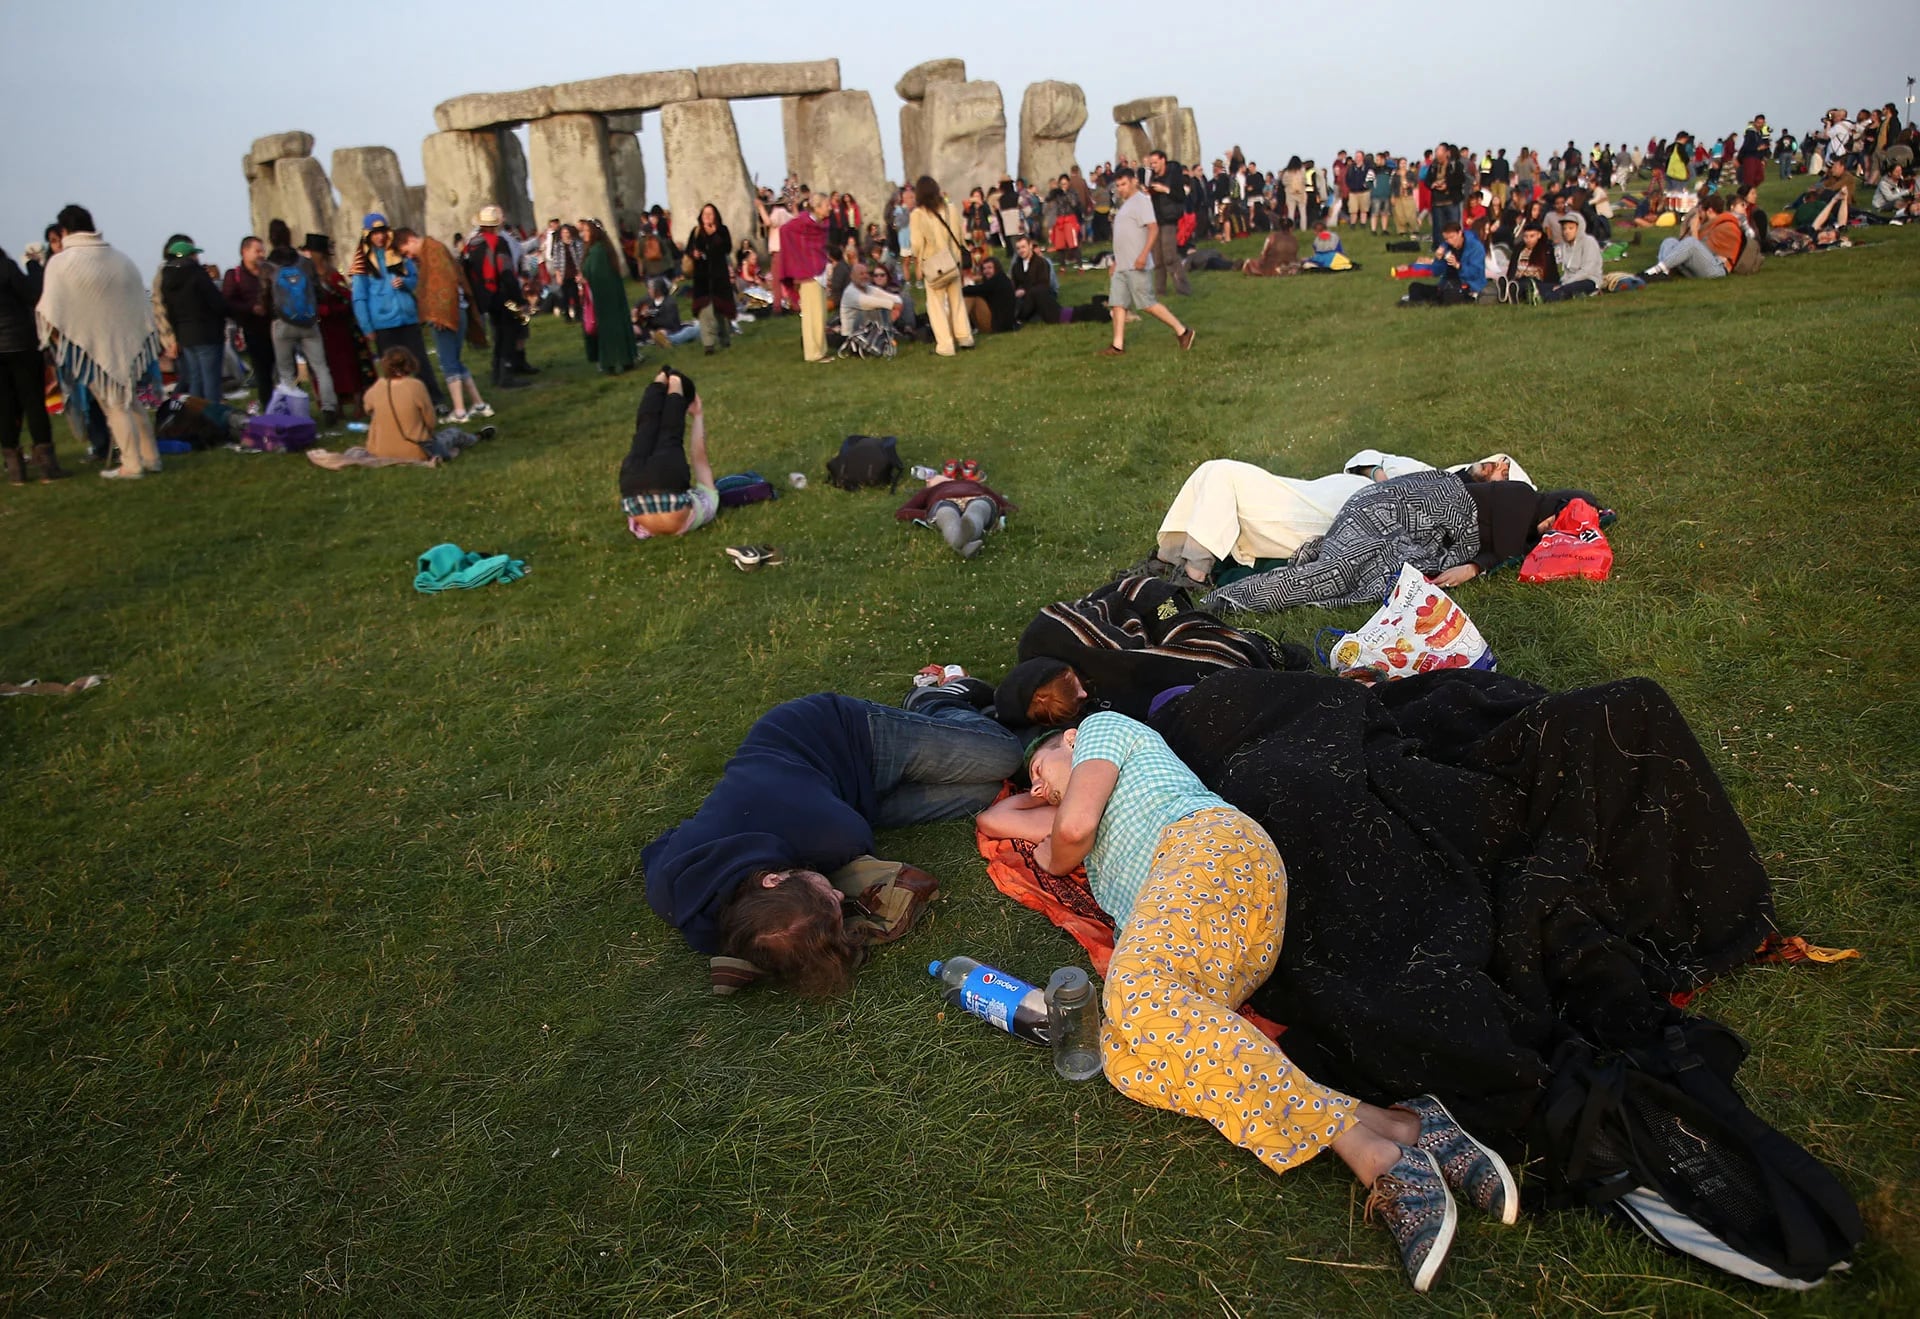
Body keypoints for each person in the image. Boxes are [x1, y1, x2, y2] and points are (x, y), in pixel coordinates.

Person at [977, 718, 1517, 1293]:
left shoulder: (1104, 730)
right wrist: (1050, 809)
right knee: (1125, 1058)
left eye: (1039, 772)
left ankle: (1372, 1154)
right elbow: (997, 818)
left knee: (1131, 996)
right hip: (1209, 924)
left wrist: (1058, 840)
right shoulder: (1065, 791)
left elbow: (1074, 831)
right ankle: (1403, 1124)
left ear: (1071, 738)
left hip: (1206, 852)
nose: (1037, 791)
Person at [642, 676, 1023, 991]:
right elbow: (659, 847)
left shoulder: (835, 838)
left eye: (827, 892)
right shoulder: (705, 912)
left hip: (841, 737)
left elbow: (849, 843)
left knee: (1006, 754)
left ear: (774, 879)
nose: (841, 893)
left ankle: (934, 698)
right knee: (987, 793)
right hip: (846, 799)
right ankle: (942, 732)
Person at [1206, 473, 1595, 612]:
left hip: (1414, 532)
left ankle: (1248, 586)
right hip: (1398, 508)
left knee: (1365, 579)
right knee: (1337, 572)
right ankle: (1222, 600)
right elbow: (1505, 551)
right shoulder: (1521, 496)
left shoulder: (1530, 532)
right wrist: (1475, 567)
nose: (1551, 529)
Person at [36, 204, 160, 480]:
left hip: (90, 344)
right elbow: (138, 302)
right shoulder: (120, 259)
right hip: (124, 339)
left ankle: (132, 464)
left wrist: (61, 338)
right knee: (131, 400)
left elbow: (49, 309)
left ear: (65, 231)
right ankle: (151, 457)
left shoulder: (61, 263)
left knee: (113, 404)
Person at [1156, 462, 1372, 584]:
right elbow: (1364, 461)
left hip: (1346, 506)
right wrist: (1374, 469)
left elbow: (1402, 487)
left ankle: (1195, 571)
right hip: (1322, 488)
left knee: (1222, 474)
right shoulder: (1387, 467)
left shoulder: (1401, 484)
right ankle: (1171, 555)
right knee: (1209, 470)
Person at [349, 214, 445, 413]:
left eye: (382, 232)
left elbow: (415, 280)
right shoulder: (362, 261)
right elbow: (359, 297)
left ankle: (434, 401)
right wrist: (366, 326)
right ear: (367, 235)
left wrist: (405, 283)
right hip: (383, 323)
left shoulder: (398, 253)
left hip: (408, 318)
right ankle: (399, 408)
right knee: (392, 369)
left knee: (419, 362)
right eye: (375, 233)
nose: (380, 237)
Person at [1101, 168, 1195, 358]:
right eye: (1118, 185)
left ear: (1134, 181)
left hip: (1137, 263)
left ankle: (1183, 331)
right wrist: (1116, 261)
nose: (1120, 189)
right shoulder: (1125, 205)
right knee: (1118, 303)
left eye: (1124, 184)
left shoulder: (1141, 201)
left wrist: (1144, 255)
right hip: (1122, 264)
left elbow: (1153, 229)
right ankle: (1117, 345)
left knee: (1147, 303)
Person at [399, 228, 491, 422]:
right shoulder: (433, 250)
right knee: (456, 361)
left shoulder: (433, 251)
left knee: (448, 362)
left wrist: (439, 314)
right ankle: (479, 404)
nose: (409, 256)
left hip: (446, 315)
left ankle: (459, 411)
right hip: (457, 311)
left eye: (406, 251)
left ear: (411, 239)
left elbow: (444, 283)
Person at [618, 367, 720, 539]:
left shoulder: (710, 502)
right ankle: (659, 381)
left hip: (667, 481)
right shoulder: (644, 529)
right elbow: (637, 526)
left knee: (670, 432)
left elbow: (699, 458)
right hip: (633, 490)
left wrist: (697, 415)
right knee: (645, 427)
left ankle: (673, 380)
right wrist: (698, 416)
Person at [359, 345, 494, 463]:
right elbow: (430, 422)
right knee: (453, 433)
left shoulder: (377, 387)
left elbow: (368, 409)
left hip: (380, 450)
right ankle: (477, 437)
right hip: (415, 450)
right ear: (410, 363)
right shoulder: (415, 386)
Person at [262, 226, 338, 426]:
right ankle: (329, 407)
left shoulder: (268, 266)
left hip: (281, 322)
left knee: (286, 371)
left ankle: (296, 415)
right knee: (321, 367)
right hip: (308, 321)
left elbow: (264, 295)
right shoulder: (305, 263)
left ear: (271, 239)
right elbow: (318, 291)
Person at [1, 243, 63, 484]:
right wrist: (34, 265)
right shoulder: (6, 268)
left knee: (5, 407)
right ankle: (47, 465)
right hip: (21, 344)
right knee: (34, 403)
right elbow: (33, 294)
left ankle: (15, 467)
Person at [906, 176, 975, 359]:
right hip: (953, 260)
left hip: (933, 264)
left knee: (936, 306)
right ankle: (964, 337)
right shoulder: (951, 209)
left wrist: (918, 264)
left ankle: (945, 345)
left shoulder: (917, 215)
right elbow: (960, 235)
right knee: (956, 301)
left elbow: (917, 244)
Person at [459, 206, 528, 391]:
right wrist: (519, 300)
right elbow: (506, 271)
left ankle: (496, 373)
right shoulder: (498, 243)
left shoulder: (472, 244)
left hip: (484, 296)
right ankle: (506, 374)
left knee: (498, 333)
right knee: (509, 333)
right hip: (503, 294)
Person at [301, 235, 368, 419]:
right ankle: (334, 404)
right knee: (328, 368)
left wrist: (327, 310)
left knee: (347, 368)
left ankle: (358, 403)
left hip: (340, 330)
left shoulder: (333, 275)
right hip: (321, 331)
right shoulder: (308, 276)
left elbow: (347, 300)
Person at [157, 238, 227, 406]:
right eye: (195, 254)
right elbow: (216, 302)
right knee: (211, 380)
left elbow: (169, 311)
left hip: (186, 336)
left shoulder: (166, 279)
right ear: (190, 256)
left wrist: (177, 335)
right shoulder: (197, 274)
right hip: (207, 334)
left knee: (195, 379)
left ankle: (194, 416)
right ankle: (213, 418)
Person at [894, 463, 1012, 558]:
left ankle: (964, 535)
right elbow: (902, 511)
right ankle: (965, 538)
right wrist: (926, 515)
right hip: (944, 502)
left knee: (977, 509)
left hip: (976, 497)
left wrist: (1002, 510)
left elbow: (1002, 502)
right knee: (947, 515)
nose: (929, 479)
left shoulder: (974, 485)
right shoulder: (930, 490)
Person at [222, 235, 277, 410]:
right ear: (244, 252)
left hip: (276, 328)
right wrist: (250, 308)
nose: (261, 254)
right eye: (257, 251)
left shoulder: (271, 271)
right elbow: (228, 302)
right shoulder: (234, 276)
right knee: (263, 374)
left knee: (286, 371)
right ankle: (269, 408)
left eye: (262, 250)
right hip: (254, 331)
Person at [781, 193, 834, 363]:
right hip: (808, 274)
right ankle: (813, 353)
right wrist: (799, 261)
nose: (830, 208)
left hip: (819, 270)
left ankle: (821, 349)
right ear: (817, 207)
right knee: (812, 314)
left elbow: (819, 246)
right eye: (827, 205)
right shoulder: (803, 223)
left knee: (821, 314)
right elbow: (785, 231)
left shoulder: (821, 224)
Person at [578, 220, 635, 375]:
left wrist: (584, 280)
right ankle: (626, 359)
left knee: (609, 330)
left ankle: (611, 361)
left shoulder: (597, 252)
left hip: (604, 299)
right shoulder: (600, 249)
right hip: (609, 297)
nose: (584, 234)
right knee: (617, 327)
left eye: (587, 231)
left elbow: (597, 275)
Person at [1642, 196, 1741, 280]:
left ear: (1710, 211)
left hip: (1717, 269)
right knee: (1670, 241)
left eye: (1700, 212)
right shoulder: (1709, 225)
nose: (1699, 216)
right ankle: (1664, 272)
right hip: (1704, 265)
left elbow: (1703, 250)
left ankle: (1655, 270)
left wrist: (1694, 230)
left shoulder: (1727, 227)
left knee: (1692, 242)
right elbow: (1686, 244)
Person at [682, 204, 736, 355]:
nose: (707, 217)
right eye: (705, 214)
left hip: (719, 278)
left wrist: (714, 234)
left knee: (721, 310)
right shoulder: (697, 231)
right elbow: (688, 250)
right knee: (705, 312)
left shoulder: (722, 230)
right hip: (702, 278)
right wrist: (695, 254)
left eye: (710, 214)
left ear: (716, 216)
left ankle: (725, 338)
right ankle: (708, 344)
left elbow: (727, 248)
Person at [1399, 219, 1485, 305]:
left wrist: (1458, 266)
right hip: (1446, 285)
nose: (1450, 241)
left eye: (1452, 237)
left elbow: (1475, 273)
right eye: (1446, 239)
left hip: (1467, 287)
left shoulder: (1475, 247)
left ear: (1460, 233)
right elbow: (1436, 272)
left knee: (1450, 294)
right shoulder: (1446, 247)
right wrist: (1438, 259)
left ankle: (1427, 301)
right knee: (1415, 287)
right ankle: (1419, 302)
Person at [1141, 151, 1192, 297]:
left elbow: (1180, 195)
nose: (1153, 166)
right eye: (1151, 163)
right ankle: (1160, 292)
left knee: (1169, 256)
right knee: (1158, 259)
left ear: (1163, 160)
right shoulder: (1152, 176)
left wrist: (1165, 190)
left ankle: (1183, 289)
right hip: (1155, 219)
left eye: (1155, 162)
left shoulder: (1173, 175)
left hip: (1169, 219)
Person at [1547, 211, 1602, 300]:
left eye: (1571, 228)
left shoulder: (1589, 241)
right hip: (1568, 281)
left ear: (1579, 228)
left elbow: (1587, 271)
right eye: (1564, 229)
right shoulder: (1564, 245)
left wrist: (1566, 284)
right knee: (1547, 286)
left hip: (1588, 280)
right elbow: (1565, 270)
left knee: (1563, 291)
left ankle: (1547, 298)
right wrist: (1563, 282)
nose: (1566, 232)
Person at [1008, 235, 1059, 325]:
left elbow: (1044, 283)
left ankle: (1019, 318)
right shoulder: (1016, 266)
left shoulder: (1041, 262)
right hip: (1022, 297)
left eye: (1023, 247)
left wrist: (1025, 291)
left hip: (1041, 295)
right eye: (1018, 248)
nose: (1021, 250)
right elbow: (1014, 284)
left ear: (1030, 246)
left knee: (1035, 294)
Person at [961, 255, 1017, 335]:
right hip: (1002, 324)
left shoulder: (998, 280)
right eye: (984, 268)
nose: (986, 271)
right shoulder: (1002, 279)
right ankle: (961, 328)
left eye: (990, 268)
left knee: (972, 297)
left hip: (997, 326)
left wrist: (959, 290)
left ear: (996, 268)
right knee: (971, 294)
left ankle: (958, 328)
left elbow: (977, 289)